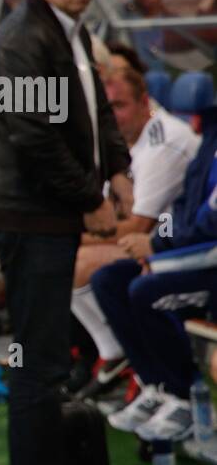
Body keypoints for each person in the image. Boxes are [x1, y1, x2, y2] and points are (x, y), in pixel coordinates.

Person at [0, 0, 134, 465]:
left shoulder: (70, 33)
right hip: (29, 220)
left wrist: (118, 167)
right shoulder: (20, 38)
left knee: (45, 364)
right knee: (38, 367)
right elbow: (29, 135)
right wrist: (91, 199)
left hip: (48, 218)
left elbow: (96, 111)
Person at [69, 67, 198, 402]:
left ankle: (150, 375)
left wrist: (67, 236)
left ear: (144, 102)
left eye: (120, 106)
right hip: (157, 242)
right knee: (52, 256)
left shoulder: (164, 141)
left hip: (173, 246)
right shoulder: (122, 142)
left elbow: (137, 226)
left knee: (73, 260)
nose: (113, 116)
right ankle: (120, 359)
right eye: (106, 108)